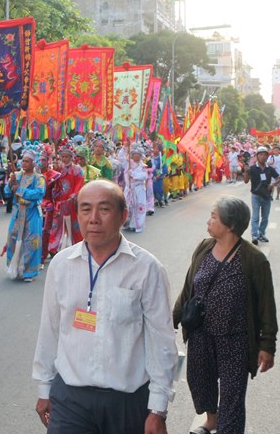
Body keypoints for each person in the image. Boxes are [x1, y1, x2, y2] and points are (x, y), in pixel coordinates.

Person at [32, 180, 176, 434]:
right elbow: (50, 330)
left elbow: (161, 341)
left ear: (123, 215)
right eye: (86, 209)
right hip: (70, 400)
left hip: (127, 402)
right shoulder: (62, 265)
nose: (94, 219)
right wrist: (44, 388)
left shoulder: (146, 269)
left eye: (105, 209)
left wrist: (158, 409)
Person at [173, 197, 277, 434]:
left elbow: (266, 306)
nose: (208, 221)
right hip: (200, 335)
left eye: (213, 217)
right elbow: (188, 288)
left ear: (230, 225)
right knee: (201, 384)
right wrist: (172, 320)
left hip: (235, 340)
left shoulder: (254, 260)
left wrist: (267, 345)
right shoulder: (204, 247)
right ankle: (212, 420)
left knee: (232, 395)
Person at [5, 151, 46, 282]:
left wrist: (20, 190)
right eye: (23, 161)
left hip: (32, 212)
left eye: (27, 161)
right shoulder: (16, 176)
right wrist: (10, 184)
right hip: (17, 213)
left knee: (31, 241)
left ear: (34, 163)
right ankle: (14, 268)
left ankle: (29, 272)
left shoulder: (39, 178)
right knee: (13, 239)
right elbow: (7, 193)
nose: (24, 163)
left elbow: (39, 193)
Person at [43, 147, 85, 255]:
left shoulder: (78, 170)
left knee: (74, 225)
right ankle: (53, 248)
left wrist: (74, 196)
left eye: (67, 157)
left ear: (71, 157)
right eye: (63, 157)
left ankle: (77, 245)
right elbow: (52, 185)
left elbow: (79, 184)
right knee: (56, 226)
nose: (65, 159)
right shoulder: (57, 169)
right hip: (59, 202)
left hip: (72, 202)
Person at [243, 146, 280, 244]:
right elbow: (246, 181)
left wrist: (272, 184)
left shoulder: (269, 169)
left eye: (265, 155)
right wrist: (246, 171)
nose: (263, 157)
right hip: (255, 195)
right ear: (257, 156)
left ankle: (261, 233)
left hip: (266, 196)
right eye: (261, 155)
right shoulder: (252, 168)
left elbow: (279, 178)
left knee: (265, 217)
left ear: (267, 156)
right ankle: (254, 235)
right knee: (255, 216)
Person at [125, 147, 149, 233]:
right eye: (134, 154)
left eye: (137, 155)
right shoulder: (129, 164)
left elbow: (144, 176)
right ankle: (129, 224)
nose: (135, 156)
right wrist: (125, 147)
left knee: (139, 207)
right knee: (129, 206)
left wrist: (133, 173)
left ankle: (137, 225)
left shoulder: (143, 166)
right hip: (130, 189)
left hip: (139, 189)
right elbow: (121, 158)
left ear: (140, 156)